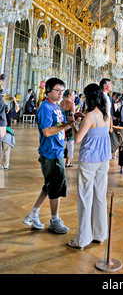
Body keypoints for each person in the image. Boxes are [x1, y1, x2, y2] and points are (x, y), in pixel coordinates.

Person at [22, 78, 74, 233]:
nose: (60, 94)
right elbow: (47, 131)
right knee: (55, 187)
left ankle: (33, 214)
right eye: (57, 90)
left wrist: (71, 119)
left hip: (56, 150)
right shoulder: (45, 107)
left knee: (50, 185)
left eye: (62, 91)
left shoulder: (55, 107)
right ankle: (54, 220)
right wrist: (66, 125)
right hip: (50, 152)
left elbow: (59, 126)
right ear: (48, 91)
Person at [67, 83, 111, 250]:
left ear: (89, 97)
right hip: (103, 159)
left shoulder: (90, 116)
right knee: (100, 197)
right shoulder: (106, 114)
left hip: (89, 160)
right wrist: (82, 118)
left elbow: (78, 139)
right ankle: (100, 235)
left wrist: (73, 123)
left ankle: (83, 239)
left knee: (85, 198)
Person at [0, 96, 19, 170]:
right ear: (7, 110)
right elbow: (17, 109)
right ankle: (5, 166)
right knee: (6, 151)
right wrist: (14, 100)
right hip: (6, 134)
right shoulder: (9, 114)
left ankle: (0, 165)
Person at [59, 89, 76, 167]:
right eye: (73, 95)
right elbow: (73, 115)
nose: (74, 96)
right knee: (70, 143)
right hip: (69, 125)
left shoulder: (61, 102)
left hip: (62, 125)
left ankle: (61, 160)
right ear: (69, 95)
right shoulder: (71, 103)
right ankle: (68, 161)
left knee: (63, 142)